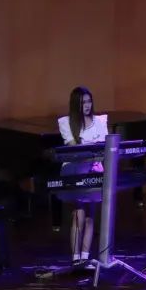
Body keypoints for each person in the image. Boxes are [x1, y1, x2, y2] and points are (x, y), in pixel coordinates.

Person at [57, 86, 107, 264]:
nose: (87, 105)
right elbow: (74, 149)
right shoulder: (66, 123)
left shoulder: (99, 121)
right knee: (78, 214)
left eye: (89, 101)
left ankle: (85, 257)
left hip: (94, 169)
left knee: (90, 215)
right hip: (75, 171)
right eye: (83, 102)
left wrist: (94, 153)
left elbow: (104, 148)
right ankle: (75, 258)